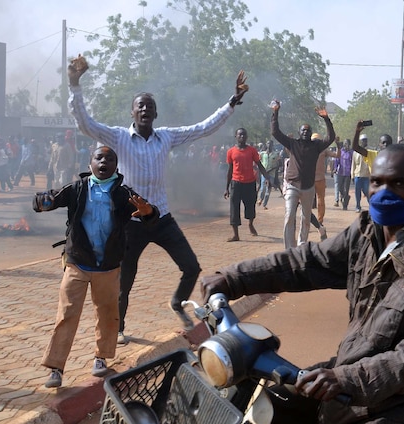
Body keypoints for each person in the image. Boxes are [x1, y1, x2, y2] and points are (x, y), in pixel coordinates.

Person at [199, 143, 404, 424]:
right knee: (254, 417)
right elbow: (306, 262)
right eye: (377, 182)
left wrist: (347, 379)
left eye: (399, 184)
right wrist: (235, 278)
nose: (383, 193)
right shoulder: (366, 233)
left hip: (397, 407)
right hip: (346, 376)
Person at [68, 53, 249, 341]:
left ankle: (177, 302)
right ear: (132, 113)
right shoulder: (117, 138)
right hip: (129, 224)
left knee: (191, 267)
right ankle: (119, 329)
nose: (145, 110)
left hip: (161, 218)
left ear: (155, 114)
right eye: (140, 106)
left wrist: (232, 102)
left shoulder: (166, 137)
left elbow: (202, 128)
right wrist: (75, 84)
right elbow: (85, 123)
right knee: (124, 281)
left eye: (150, 107)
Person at [36, 145, 159, 388]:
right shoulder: (77, 188)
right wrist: (42, 202)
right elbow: (49, 199)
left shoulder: (124, 193)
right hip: (77, 263)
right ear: (90, 163)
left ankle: (100, 358)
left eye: (110, 158)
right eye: (98, 157)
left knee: (107, 315)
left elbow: (147, 213)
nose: (104, 162)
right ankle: (56, 368)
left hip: (108, 267)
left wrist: (148, 211)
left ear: (116, 166)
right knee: (67, 315)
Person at [270, 100, 336, 249]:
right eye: (303, 130)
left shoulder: (316, 146)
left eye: (308, 130)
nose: (305, 132)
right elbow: (275, 132)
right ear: (299, 133)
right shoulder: (293, 143)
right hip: (293, 185)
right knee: (289, 216)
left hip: (308, 187)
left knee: (306, 219)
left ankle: (301, 245)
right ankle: (289, 248)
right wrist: (275, 112)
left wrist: (326, 119)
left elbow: (330, 138)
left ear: (311, 133)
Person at [224, 128, 269, 241]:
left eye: (244, 135)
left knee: (250, 207)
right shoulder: (231, 152)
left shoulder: (252, 151)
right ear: (236, 136)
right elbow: (230, 170)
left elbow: (259, 165)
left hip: (249, 183)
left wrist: (266, 177)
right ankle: (236, 234)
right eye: (240, 135)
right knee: (234, 208)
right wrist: (227, 188)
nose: (242, 137)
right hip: (236, 183)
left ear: (247, 137)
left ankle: (250, 224)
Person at [333, 138, 353, 210]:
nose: (345, 145)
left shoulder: (351, 152)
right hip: (340, 172)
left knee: (346, 189)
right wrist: (335, 168)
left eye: (347, 143)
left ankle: (345, 205)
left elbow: (353, 162)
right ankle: (344, 197)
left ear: (349, 144)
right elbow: (336, 160)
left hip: (348, 173)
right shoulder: (341, 152)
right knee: (341, 188)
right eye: (344, 143)